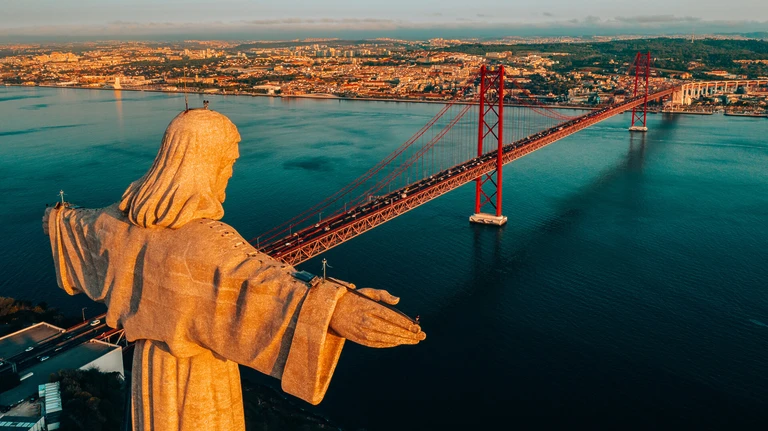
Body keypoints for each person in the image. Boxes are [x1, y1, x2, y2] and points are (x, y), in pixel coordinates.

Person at [43, 109, 425, 431]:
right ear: (203, 162)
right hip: (202, 376)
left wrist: (56, 218)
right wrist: (339, 307)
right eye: (226, 162)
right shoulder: (207, 240)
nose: (229, 172)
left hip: (150, 371)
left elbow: (76, 225)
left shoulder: (116, 222)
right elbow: (261, 286)